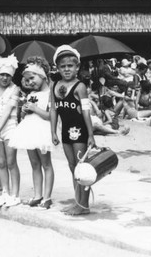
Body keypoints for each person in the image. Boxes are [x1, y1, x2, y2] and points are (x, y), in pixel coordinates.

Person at [50, 45, 95, 216]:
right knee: (72, 167)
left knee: (81, 168)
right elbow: (53, 110)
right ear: (58, 68)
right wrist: (53, 131)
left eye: (70, 66)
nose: (67, 69)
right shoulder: (54, 85)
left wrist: (90, 134)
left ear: (77, 67)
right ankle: (78, 201)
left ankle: (83, 206)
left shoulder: (79, 86)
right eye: (63, 66)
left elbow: (86, 111)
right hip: (65, 132)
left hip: (80, 132)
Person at [9, 57, 54, 210]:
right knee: (34, 164)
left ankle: (47, 197)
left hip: (42, 131)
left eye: (32, 78)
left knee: (46, 164)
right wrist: (24, 111)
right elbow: (26, 115)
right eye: (27, 80)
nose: (30, 82)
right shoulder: (30, 94)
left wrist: (35, 109)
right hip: (29, 131)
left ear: (42, 75)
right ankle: (37, 195)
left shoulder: (50, 94)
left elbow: (51, 116)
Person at [0, 55, 21, 207]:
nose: (5, 78)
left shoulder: (15, 89)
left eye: (8, 75)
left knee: (11, 161)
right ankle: (5, 192)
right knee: (0, 162)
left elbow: (7, 111)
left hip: (10, 126)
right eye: (2, 75)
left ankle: (15, 194)